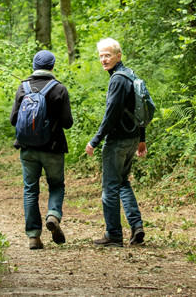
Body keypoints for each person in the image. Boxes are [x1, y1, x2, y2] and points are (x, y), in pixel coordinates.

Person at [85, 37, 146, 247]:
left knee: (110, 187)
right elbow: (141, 109)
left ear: (118, 56)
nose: (104, 59)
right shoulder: (130, 75)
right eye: (101, 56)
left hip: (118, 141)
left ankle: (113, 235)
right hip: (132, 139)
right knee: (122, 182)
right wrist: (142, 138)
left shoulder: (118, 80)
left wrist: (95, 140)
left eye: (108, 55)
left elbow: (111, 114)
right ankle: (136, 226)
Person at [10, 49, 73, 250]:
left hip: (28, 149)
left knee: (30, 189)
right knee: (56, 185)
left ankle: (33, 236)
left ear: (34, 66)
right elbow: (67, 123)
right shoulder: (59, 89)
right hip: (53, 149)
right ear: (52, 66)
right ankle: (53, 214)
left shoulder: (23, 87)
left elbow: (13, 120)